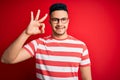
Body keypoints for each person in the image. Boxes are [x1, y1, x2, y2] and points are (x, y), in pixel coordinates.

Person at [1, 3, 92, 80]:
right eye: (55, 20)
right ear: (50, 22)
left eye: (63, 19)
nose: (60, 24)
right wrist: (26, 33)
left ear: (68, 21)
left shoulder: (81, 46)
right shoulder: (38, 44)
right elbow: (6, 59)